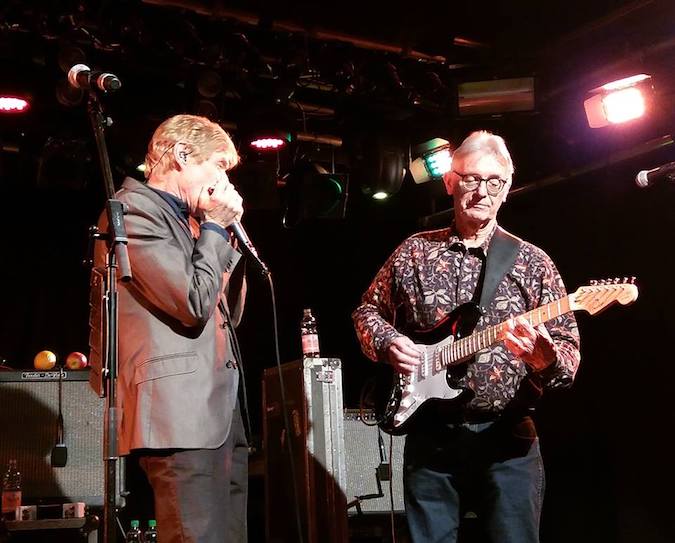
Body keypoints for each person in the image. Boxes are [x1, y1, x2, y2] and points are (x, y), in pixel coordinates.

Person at [352, 131, 580, 543]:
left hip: (508, 441)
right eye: (471, 179)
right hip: (431, 437)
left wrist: (545, 360)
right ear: (450, 182)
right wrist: (388, 343)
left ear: (506, 189)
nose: (482, 191)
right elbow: (366, 312)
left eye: (494, 182)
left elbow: (567, 355)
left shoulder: (532, 262)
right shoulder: (414, 252)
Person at [89, 114, 249, 543]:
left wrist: (223, 234)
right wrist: (214, 228)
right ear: (182, 154)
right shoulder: (132, 211)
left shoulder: (192, 224)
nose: (223, 181)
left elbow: (228, 312)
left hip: (217, 415)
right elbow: (193, 304)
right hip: (179, 416)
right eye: (218, 165)